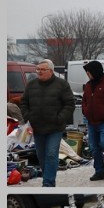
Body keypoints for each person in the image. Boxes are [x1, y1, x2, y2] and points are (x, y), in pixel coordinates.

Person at [19, 59, 75, 187]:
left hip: (55, 128)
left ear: (50, 71)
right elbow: (23, 103)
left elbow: (69, 104)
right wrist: (28, 117)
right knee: (42, 157)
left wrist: (59, 118)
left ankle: (48, 183)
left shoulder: (62, 84)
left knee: (51, 154)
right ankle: (49, 179)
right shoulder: (31, 85)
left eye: (42, 70)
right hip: (37, 128)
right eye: (37, 69)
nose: (39, 72)